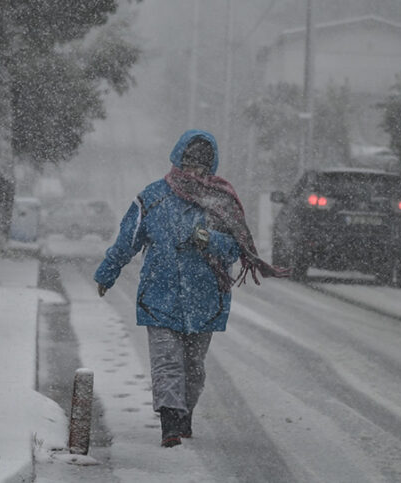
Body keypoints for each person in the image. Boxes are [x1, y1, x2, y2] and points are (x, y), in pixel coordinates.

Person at [94, 129, 288, 447]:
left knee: (193, 367)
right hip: (159, 296)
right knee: (167, 362)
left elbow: (235, 249)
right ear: (178, 160)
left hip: (205, 299)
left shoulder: (221, 203)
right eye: (189, 163)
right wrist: (108, 272)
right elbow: (128, 239)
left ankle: (184, 415)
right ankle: (170, 422)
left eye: (201, 165)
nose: (194, 171)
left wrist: (211, 239)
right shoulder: (152, 197)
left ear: (211, 167)